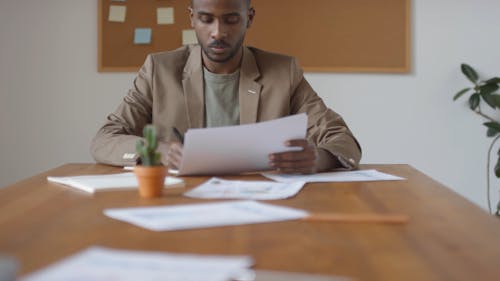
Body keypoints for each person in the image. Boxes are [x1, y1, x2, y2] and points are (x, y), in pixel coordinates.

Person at [91, 0, 361, 174]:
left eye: (231, 20)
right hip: (178, 204)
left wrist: (318, 159)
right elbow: (105, 140)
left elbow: (342, 140)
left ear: (249, 18)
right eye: (206, 19)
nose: (218, 32)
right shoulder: (159, 70)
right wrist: (159, 151)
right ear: (192, 18)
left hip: (260, 205)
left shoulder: (283, 72)